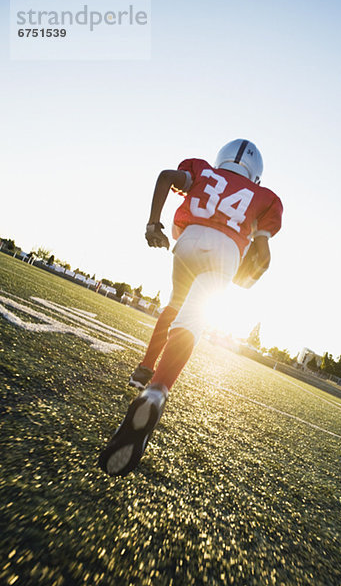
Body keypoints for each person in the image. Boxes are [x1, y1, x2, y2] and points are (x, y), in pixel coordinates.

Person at [98, 139, 283, 476]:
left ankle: (144, 370)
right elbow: (264, 257)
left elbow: (167, 175)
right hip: (227, 249)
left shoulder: (202, 170)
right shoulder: (265, 198)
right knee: (195, 318)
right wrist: (247, 278)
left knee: (175, 304)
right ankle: (157, 392)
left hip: (188, 241)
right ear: (256, 175)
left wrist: (153, 224)